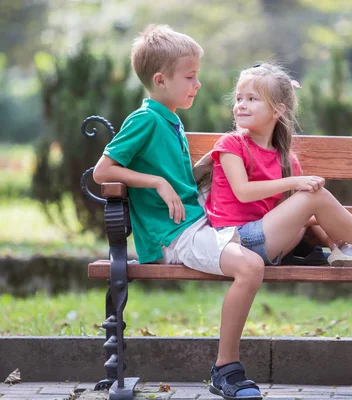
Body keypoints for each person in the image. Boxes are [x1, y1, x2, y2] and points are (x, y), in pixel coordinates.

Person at [93, 25, 264, 400]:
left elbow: (181, 181)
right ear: (160, 79)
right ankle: (226, 370)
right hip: (174, 235)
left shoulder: (169, 118)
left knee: (271, 239)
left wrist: (211, 161)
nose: (197, 84)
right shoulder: (145, 119)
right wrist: (154, 182)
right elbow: (103, 171)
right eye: (190, 76)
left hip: (195, 222)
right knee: (251, 265)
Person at [201, 63, 352, 269]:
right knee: (314, 196)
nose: (241, 105)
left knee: (314, 202)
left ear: (277, 110)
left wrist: (331, 236)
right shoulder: (231, 144)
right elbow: (243, 192)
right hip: (233, 243)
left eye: (252, 99)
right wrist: (295, 182)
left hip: (266, 240)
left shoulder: (286, 160)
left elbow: (289, 215)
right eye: (239, 99)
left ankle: (348, 250)